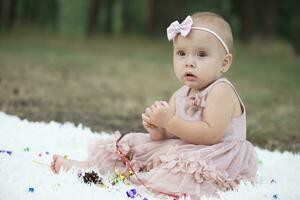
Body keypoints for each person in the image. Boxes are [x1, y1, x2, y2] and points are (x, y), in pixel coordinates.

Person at [51, 12, 258, 200]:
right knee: (134, 145)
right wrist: (158, 129)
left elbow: (210, 135)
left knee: (180, 173)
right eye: (181, 53)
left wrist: (170, 120)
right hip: (185, 147)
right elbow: (169, 136)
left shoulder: (221, 91)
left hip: (216, 157)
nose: (189, 62)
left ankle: (128, 177)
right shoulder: (180, 95)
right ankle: (90, 168)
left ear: (224, 63)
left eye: (201, 54)